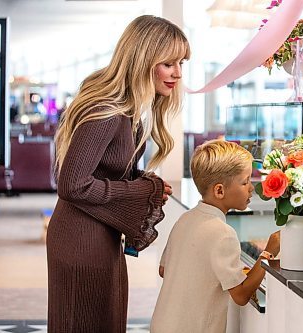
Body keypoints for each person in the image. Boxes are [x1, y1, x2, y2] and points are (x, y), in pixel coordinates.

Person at [46, 15, 190, 333]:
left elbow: (105, 170)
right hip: (81, 238)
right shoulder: (107, 110)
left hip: (96, 233)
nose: (178, 73)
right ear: (144, 58)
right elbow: (72, 184)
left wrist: (143, 182)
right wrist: (140, 190)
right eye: (169, 63)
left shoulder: (126, 110)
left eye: (181, 63)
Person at [150, 140, 280, 333]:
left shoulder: (185, 218)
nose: (251, 188)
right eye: (244, 182)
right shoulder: (223, 233)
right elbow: (241, 295)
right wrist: (268, 252)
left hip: (162, 325)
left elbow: (164, 269)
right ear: (219, 190)